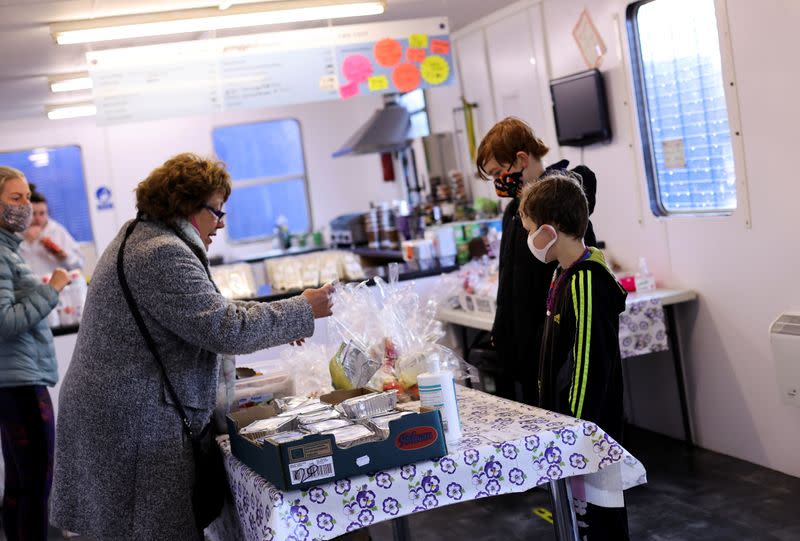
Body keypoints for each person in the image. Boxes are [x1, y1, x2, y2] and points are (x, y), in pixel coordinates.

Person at [51, 153, 334, 539]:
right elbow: (223, 328)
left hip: (122, 413)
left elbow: (207, 311)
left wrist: (286, 317)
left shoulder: (142, 236)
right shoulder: (160, 253)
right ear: (186, 205)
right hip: (133, 423)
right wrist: (303, 310)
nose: (221, 222)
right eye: (216, 211)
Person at [519, 173, 629, 540]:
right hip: (570, 427)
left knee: (599, 521)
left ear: (549, 232)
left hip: (588, 430)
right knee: (577, 519)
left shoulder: (585, 281)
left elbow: (588, 364)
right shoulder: (562, 274)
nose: (528, 238)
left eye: (530, 229)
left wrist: (574, 428)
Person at [476, 117, 598, 405]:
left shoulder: (561, 203)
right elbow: (507, 277)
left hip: (552, 336)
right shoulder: (512, 212)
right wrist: (501, 329)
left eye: (498, 172)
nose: (497, 183)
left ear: (521, 159)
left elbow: (575, 266)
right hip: (521, 339)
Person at [0, 166, 71, 541]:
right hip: (18, 381)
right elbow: (4, 322)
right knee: (36, 483)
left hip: (17, 378)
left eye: (27, 198)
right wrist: (53, 289)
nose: (25, 207)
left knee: (20, 482)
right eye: (15, 198)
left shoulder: (7, 250)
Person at [19, 187, 84, 277]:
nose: (38, 219)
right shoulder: (17, 232)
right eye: (33, 213)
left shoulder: (57, 231)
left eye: (42, 213)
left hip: (57, 287)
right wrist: (26, 242)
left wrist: (64, 258)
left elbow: (78, 265)